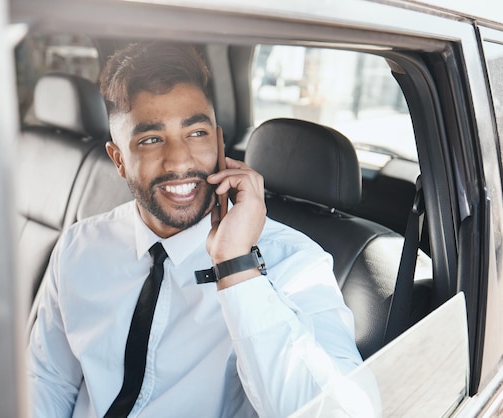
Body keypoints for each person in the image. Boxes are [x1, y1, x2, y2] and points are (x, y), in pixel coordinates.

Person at [28, 42, 367, 418]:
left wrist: (237, 268)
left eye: (197, 133)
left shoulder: (293, 262)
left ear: (220, 142)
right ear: (119, 160)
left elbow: (342, 412)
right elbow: (48, 380)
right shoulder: (79, 247)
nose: (180, 160)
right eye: (151, 139)